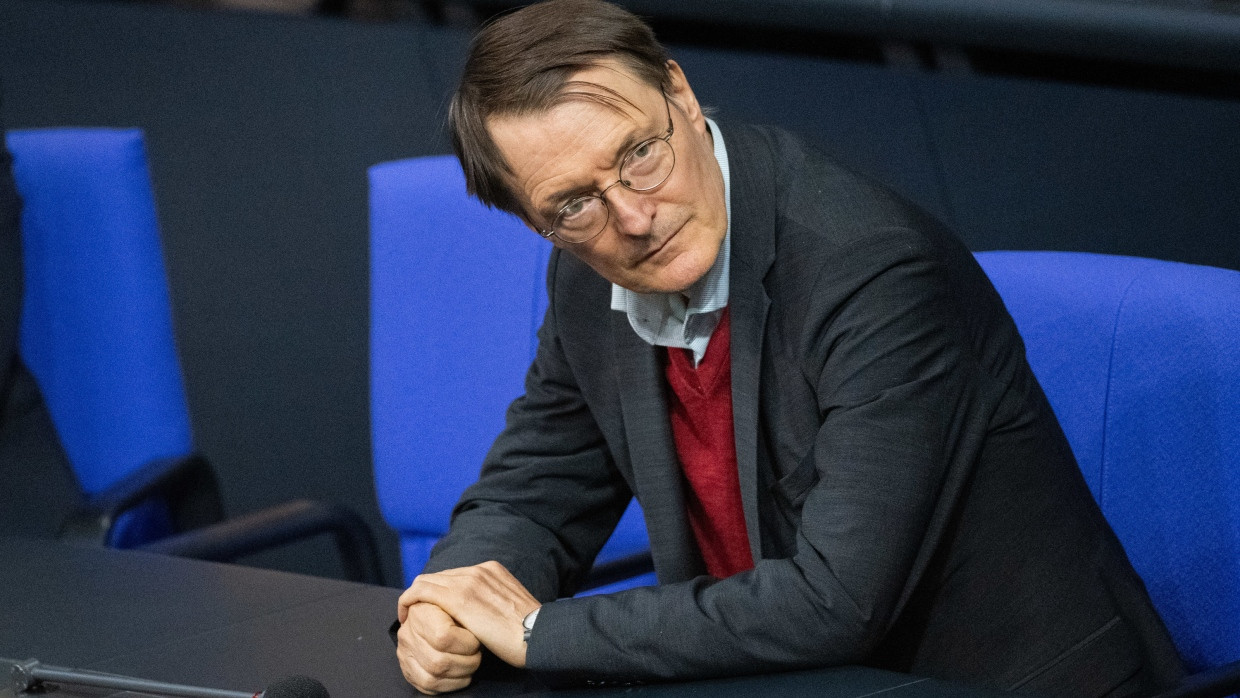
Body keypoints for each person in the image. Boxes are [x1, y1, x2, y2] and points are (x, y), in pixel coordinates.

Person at [393, 1, 1184, 694]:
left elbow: (837, 600)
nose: (633, 217)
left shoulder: (870, 268)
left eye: (639, 154)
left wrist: (538, 635)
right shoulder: (585, 278)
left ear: (681, 93)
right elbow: (533, 491)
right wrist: (450, 602)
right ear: (536, 221)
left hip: (990, 684)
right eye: (572, 204)